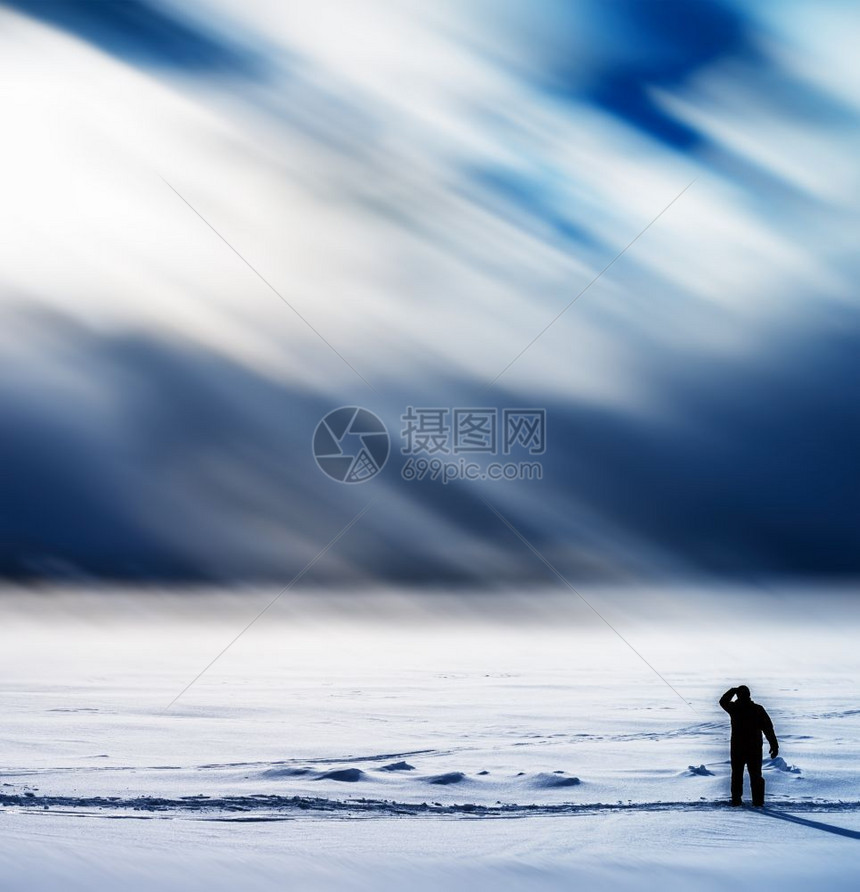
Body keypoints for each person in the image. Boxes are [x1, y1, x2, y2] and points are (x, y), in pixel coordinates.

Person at [719, 685, 778, 807]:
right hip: (754, 748)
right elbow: (768, 729)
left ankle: (736, 800)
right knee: (755, 775)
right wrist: (774, 745)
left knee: (737, 774)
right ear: (749, 695)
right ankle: (757, 802)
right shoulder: (757, 709)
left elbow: (723, 701)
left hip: (738, 748)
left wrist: (732, 690)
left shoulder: (735, 708)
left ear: (738, 695)